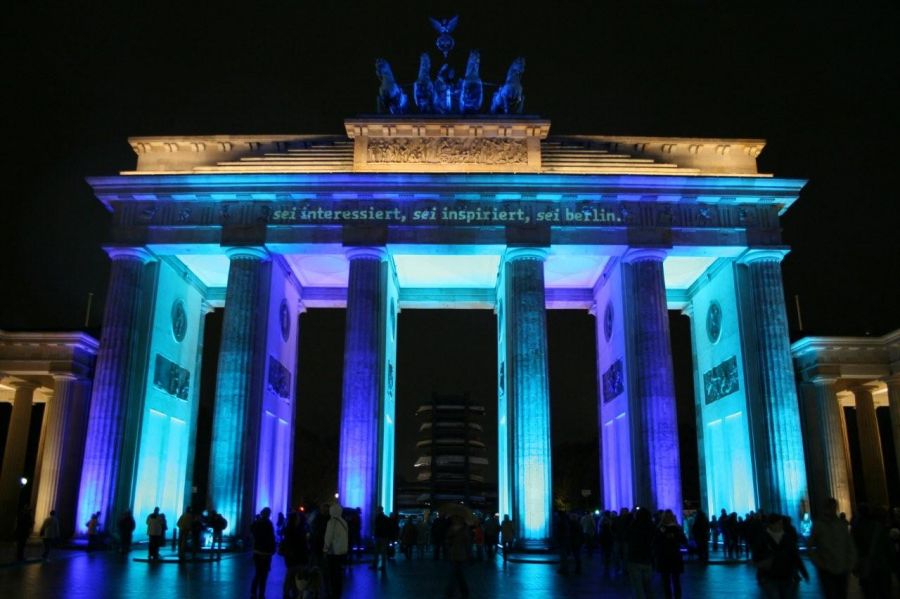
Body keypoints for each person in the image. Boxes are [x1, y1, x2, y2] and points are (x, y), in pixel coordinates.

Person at [807, 498, 855, 599]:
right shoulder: (819, 525)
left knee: (841, 594)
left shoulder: (841, 524)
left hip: (841, 566)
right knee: (833, 594)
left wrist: (851, 562)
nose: (832, 510)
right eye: (830, 507)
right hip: (827, 567)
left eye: (833, 507)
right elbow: (810, 545)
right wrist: (818, 562)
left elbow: (849, 544)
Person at [752, 513, 809, 598]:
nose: (781, 526)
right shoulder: (763, 538)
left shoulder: (786, 537)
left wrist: (803, 571)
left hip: (785, 574)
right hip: (770, 575)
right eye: (778, 523)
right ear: (771, 524)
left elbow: (795, 555)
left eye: (781, 523)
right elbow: (757, 555)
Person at [852, 504, 893, 599]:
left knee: (870, 592)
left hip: (866, 565)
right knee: (884, 592)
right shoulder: (878, 527)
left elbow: (854, 548)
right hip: (881, 564)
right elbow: (888, 546)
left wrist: (855, 565)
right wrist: (893, 563)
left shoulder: (856, 528)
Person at [656, 510, 688, 599]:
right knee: (673, 580)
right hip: (672, 555)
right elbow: (684, 541)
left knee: (669, 581)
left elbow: (657, 541)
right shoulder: (676, 528)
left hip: (667, 556)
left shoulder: (661, 528)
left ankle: (671, 597)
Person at [625, 507, 655, 599]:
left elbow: (627, 538)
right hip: (647, 559)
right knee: (648, 586)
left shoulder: (633, 526)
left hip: (634, 559)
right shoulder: (651, 527)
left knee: (638, 587)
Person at [323, 503, 349, 599]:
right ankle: (338, 593)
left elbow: (328, 538)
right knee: (339, 574)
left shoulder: (331, 522)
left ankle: (333, 593)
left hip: (333, 552)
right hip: (342, 551)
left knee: (332, 573)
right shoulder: (344, 522)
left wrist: (325, 549)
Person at [250, 507, 277, 599]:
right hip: (266, 552)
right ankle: (261, 593)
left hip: (257, 551)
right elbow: (271, 538)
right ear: (268, 514)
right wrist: (273, 549)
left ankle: (253, 592)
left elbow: (252, 532)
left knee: (257, 573)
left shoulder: (256, 523)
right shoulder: (269, 524)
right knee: (264, 575)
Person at [443, 515, 471, 598]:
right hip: (455, 553)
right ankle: (462, 591)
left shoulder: (463, 530)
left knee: (456, 573)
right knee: (458, 574)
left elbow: (467, 543)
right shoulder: (453, 529)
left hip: (459, 554)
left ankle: (451, 591)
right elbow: (447, 541)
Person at [371, 506, 391, 572]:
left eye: (377, 510)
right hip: (384, 537)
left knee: (376, 551)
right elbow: (389, 528)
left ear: (379, 510)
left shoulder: (377, 518)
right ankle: (383, 566)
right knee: (383, 552)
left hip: (378, 536)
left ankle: (375, 565)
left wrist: (374, 534)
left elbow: (375, 527)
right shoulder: (386, 518)